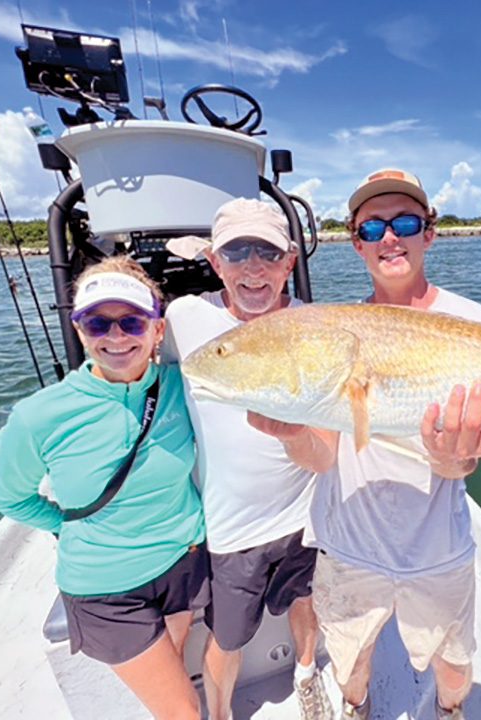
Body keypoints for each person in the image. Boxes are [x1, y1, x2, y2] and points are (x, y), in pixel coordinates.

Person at [303, 169, 481, 720]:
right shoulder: (334, 331)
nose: (389, 237)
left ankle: (449, 711)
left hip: (436, 547)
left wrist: (454, 460)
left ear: (429, 233)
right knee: (350, 661)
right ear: (356, 242)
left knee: (455, 664)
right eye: (372, 227)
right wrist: (286, 427)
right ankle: (356, 708)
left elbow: (469, 459)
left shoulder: (475, 324)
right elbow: (321, 452)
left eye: (405, 222)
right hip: (347, 543)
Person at [0, 256, 208, 720]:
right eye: (97, 323)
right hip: (107, 589)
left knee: (177, 662)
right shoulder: (39, 415)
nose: (116, 337)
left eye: (131, 321)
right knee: (183, 710)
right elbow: (7, 495)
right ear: (79, 330)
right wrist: (64, 528)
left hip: (184, 560)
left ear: (157, 330)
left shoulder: (181, 385)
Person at [163, 198, 334, 720]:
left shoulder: (318, 325)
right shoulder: (184, 319)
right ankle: (220, 713)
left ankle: (307, 674)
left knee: (309, 604)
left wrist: (294, 434)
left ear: (289, 262)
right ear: (215, 263)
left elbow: (327, 448)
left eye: (268, 252)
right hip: (231, 527)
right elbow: (126, 366)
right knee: (227, 634)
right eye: (237, 252)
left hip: (307, 514)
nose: (253, 266)